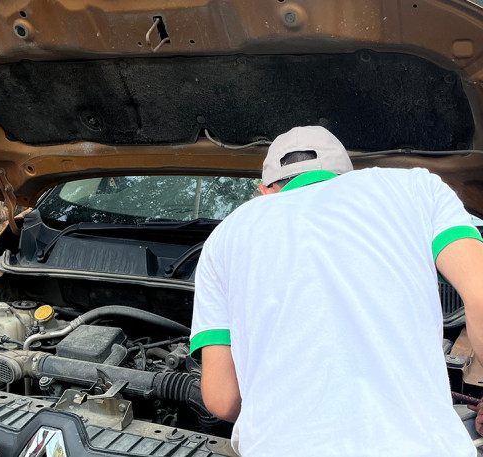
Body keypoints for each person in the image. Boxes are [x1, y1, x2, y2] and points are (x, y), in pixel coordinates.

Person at [190, 125, 483, 456]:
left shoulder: (225, 236)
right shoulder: (417, 188)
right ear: (346, 176)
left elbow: (222, 399)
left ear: (265, 191)